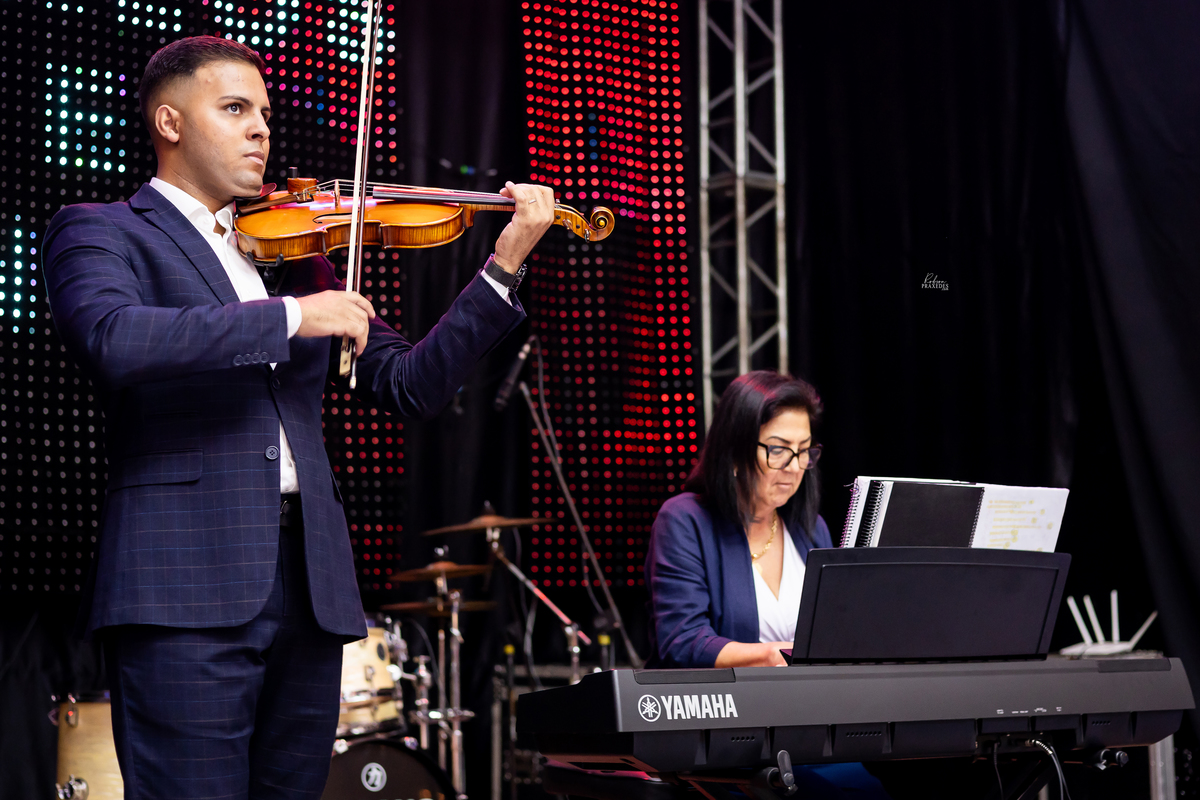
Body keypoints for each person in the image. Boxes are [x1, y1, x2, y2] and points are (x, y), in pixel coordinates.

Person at [43, 36, 552, 800]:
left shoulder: (295, 254)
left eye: (265, 115)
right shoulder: (101, 229)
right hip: (183, 586)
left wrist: (504, 264)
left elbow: (410, 384)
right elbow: (115, 338)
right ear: (170, 122)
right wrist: (290, 317)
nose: (260, 130)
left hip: (308, 590)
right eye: (235, 109)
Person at [645, 371, 890, 798]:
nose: (794, 468)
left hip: (806, 728)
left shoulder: (810, 529)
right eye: (778, 451)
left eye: (803, 451)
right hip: (724, 738)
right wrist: (779, 656)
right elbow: (683, 640)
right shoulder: (684, 519)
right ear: (736, 448)